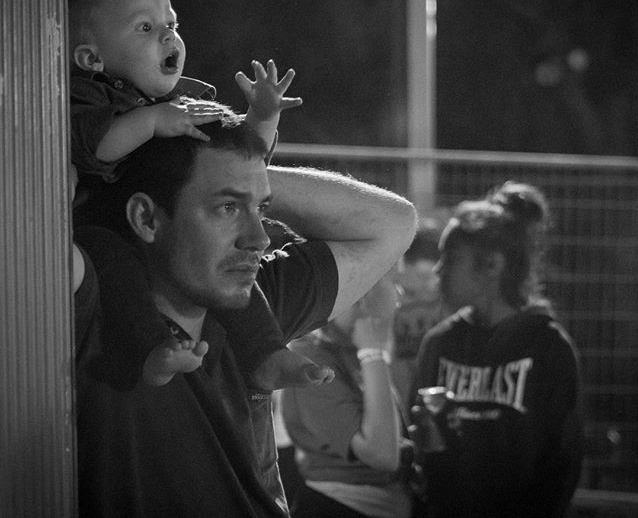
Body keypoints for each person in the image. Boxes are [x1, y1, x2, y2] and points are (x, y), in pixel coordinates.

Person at [72, 115, 417, 517]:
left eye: (262, 208)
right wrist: (117, 164)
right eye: (227, 207)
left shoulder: (255, 299)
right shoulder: (85, 297)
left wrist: (237, 170)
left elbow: (393, 223)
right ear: (146, 218)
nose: (259, 238)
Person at [68, 0, 323, 390]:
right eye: (146, 27)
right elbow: (96, 148)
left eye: (172, 24)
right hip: (108, 229)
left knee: (239, 275)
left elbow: (238, 156)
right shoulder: (90, 101)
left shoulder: (177, 103)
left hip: (169, 238)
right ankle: (150, 353)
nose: (168, 37)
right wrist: (152, 121)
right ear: (92, 59)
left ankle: (267, 354)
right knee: (117, 277)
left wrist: (261, 117)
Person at [411, 181, 584, 518]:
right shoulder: (439, 343)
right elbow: (419, 449)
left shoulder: (547, 347)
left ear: (492, 265)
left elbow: (563, 465)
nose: (438, 269)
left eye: (452, 258)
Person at [281, 272, 414, 518]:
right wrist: (373, 352)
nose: (399, 295)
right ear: (361, 290)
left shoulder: (351, 343)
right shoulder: (312, 357)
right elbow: (382, 455)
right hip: (339, 506)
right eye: (392, 281)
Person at [391, 221, 445, 411]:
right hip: (400, 394)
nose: (430, 284)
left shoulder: (442, 300)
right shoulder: (390, 301)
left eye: (435, 276)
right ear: (402, 264)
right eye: (423, 276)